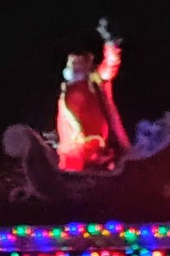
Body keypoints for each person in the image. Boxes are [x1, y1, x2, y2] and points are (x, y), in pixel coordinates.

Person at [56, 18, 132, 172]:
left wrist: (111, 44)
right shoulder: (66, 89)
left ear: (87, 64)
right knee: (72, 172)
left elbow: (110, 65)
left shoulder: (96, 80)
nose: (75, 65)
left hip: (97, 147)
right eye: (73, 62)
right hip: (73, 150)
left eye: (80, 62)